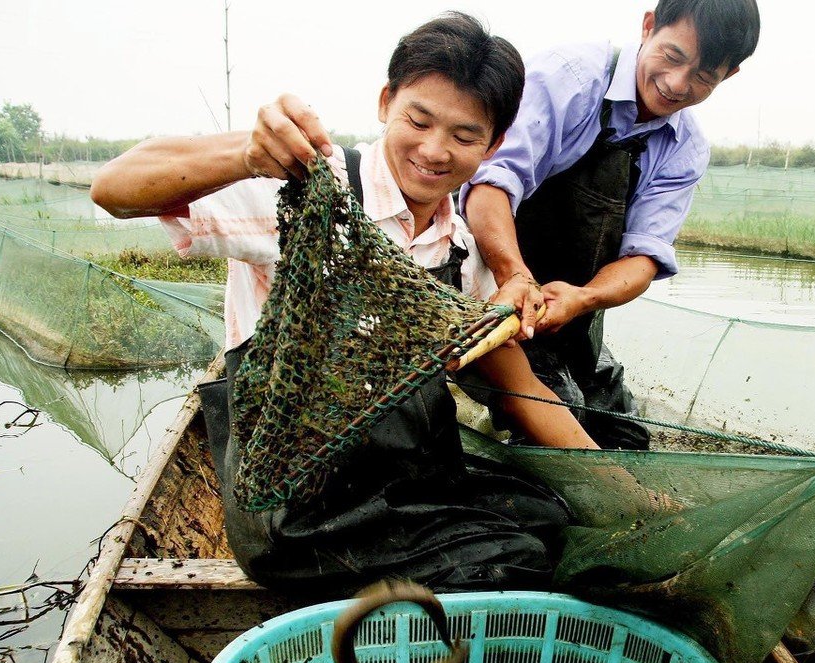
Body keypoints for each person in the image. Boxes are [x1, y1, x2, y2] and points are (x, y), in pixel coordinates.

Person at [91, 13, 590, 595]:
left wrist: (622, 482)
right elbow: (114, 189)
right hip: (299, 511)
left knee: (557, 522)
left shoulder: (463, 251)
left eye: (463, 135)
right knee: (511, 561)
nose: (434, 150)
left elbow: (516, 386)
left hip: (409, 484)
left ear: (494, 144)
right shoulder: (305, 192)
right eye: (419, 120)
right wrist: (245, 155)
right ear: (386, 103)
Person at [462, 0, 760, 450]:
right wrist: (515, 277)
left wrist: (584, 298)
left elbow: (643, 258)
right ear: (647, 27)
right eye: (673, 56)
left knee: (625, 438)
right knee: (558, 414)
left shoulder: (685, 148)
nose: (677, 84)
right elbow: (489, 187)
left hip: (569, 309)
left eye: (704, 76)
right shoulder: (569, 78)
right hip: (487, 283)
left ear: (728, 76)